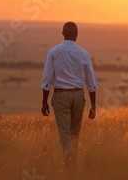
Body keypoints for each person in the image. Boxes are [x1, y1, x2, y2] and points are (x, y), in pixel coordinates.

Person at [40, 22, 98, 167]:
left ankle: (69, 160)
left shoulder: (54, 52)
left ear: (62, 33)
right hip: (79, 96)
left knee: (64, 132)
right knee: (75, 133)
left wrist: (44, 102)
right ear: (76, 34)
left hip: (61, 95)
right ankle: (72, 166)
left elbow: (47, 79)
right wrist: (93, 105)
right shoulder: (84, 53)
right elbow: (91, 81)